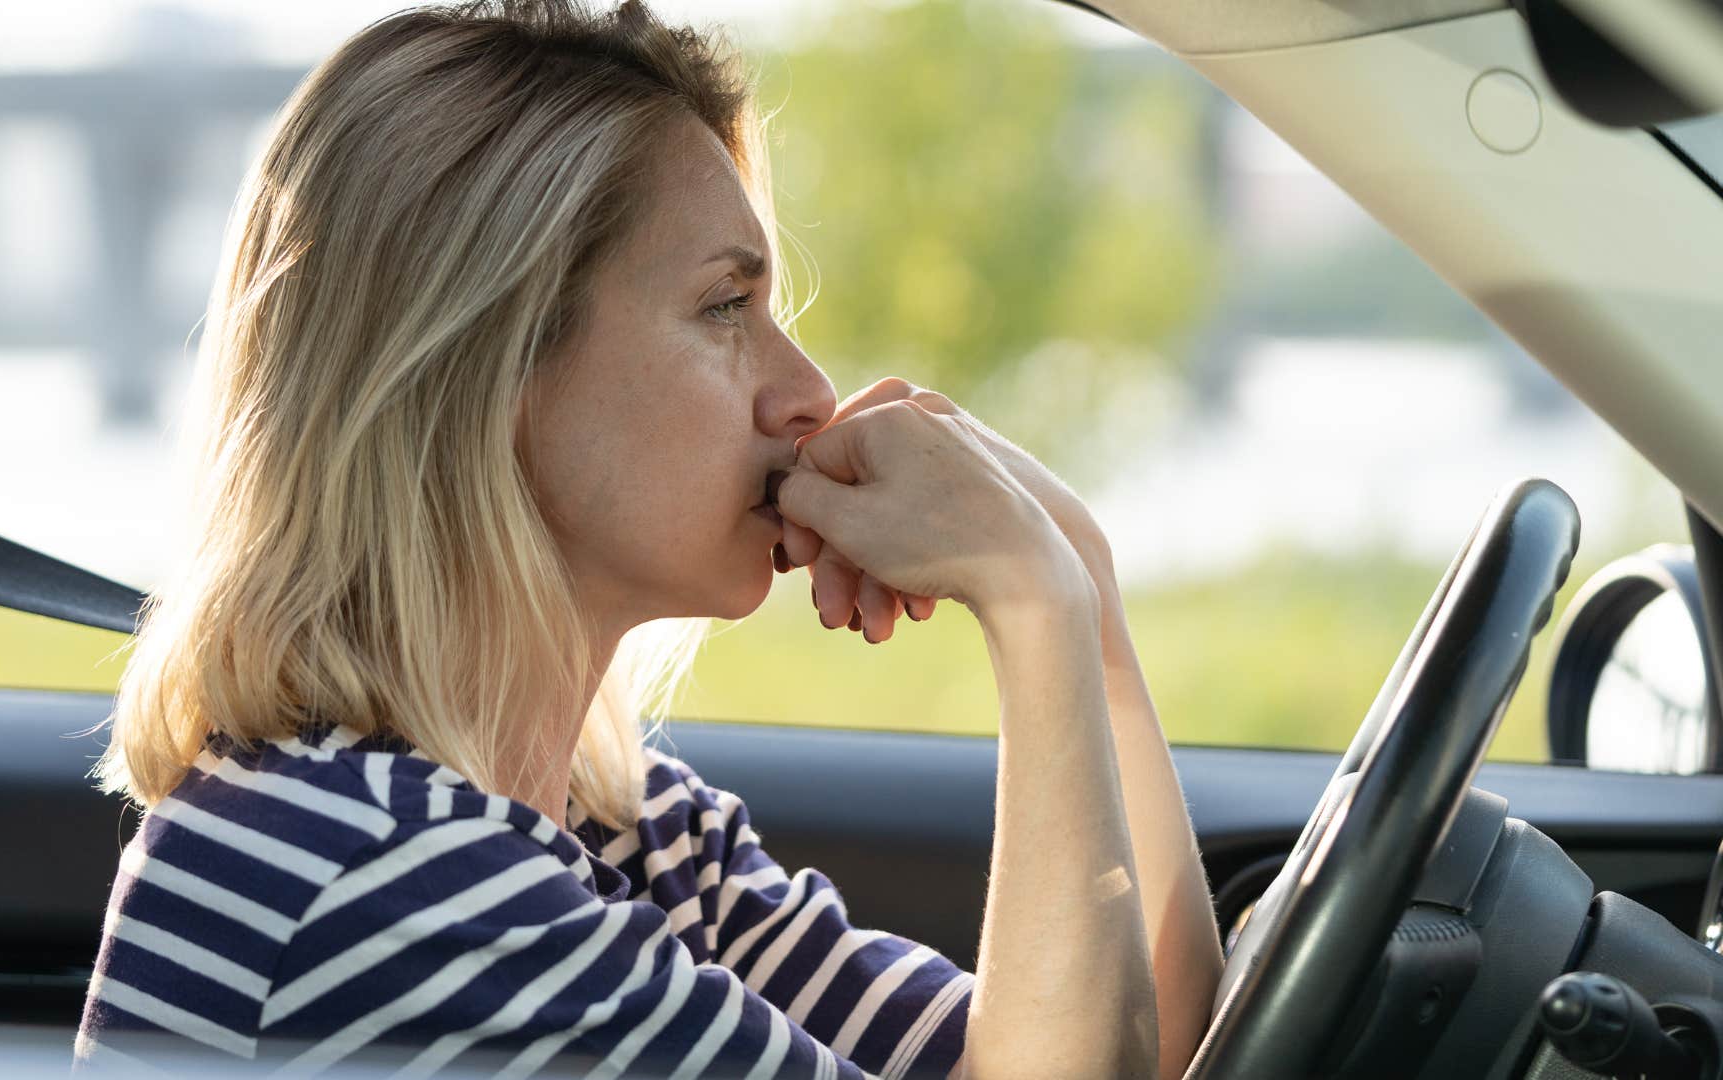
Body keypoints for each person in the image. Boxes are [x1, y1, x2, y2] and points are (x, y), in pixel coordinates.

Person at [73, 1, 1222, 1076]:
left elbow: (1149, 1046)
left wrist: (1085, 596)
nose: (808, 393)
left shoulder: (622, 833)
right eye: (726, 308)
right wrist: (1035, 613)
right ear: (496, 368)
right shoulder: (389, 879)